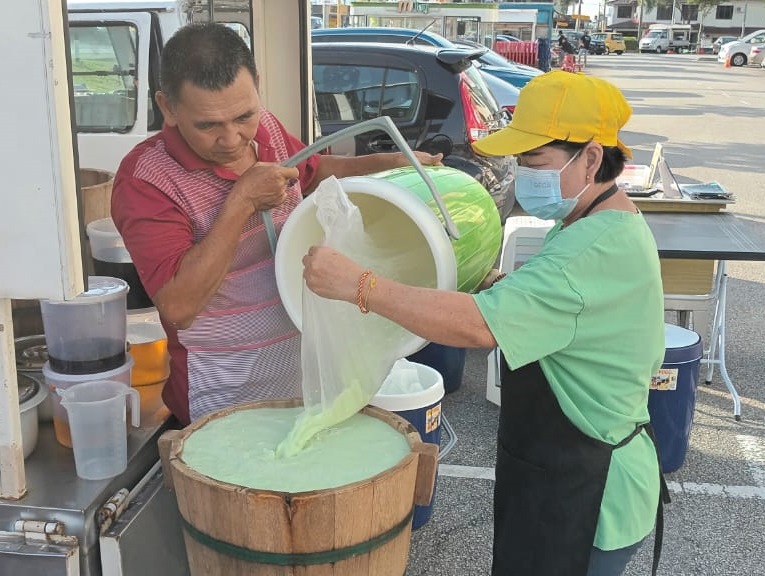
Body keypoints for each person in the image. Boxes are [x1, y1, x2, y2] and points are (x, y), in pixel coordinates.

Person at [302, 71, 670, 576]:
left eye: (534, 160)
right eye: (519, 160)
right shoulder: (603, 222)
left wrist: (359, 285)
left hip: (589, 498)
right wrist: (497, 282)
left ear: (590, 156)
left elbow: (478, 328)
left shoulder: (588, 250)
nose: (523, 173)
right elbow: (565, 308)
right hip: (562, 474)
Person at [111, 23, 441, 425]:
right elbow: (179, 305)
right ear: (168, 107)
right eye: (208, 125)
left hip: (307, 370)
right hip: (221, 393)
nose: (232, 138)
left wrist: (386, 165)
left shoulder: (265, 127)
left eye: (243, 115)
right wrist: (242, 202)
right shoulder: (147, 179)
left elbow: (312, 172)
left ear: (257, 88)